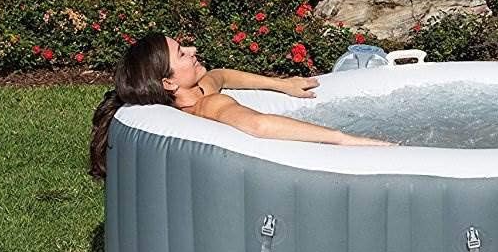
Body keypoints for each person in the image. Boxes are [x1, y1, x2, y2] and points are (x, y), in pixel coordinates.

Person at [90, 32, 392, 179]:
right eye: (182, 53)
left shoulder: (197, 94)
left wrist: (281, 84)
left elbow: (220, 75)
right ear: (167, 82)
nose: (192, 50)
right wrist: (343, 139)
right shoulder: (210, 105)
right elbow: (258, 124)